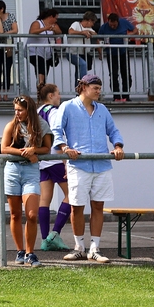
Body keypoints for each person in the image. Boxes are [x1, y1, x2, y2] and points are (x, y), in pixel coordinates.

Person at [52, 74, 125, 263]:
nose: (99, 91)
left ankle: (94, 248)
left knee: (98, 205)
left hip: (101, 165)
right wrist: (64, 148)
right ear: (84, 87)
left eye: (100, 88)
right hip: (78, 165)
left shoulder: (102, 110)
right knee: (76, 207)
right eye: (96, 87)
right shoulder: (67, 107)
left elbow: (113, 130)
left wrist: (118, 146)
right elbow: (56, 130)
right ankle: (79, 247)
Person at [1, 95, 52, 267]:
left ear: (28, 109)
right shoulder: (11, 125)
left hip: (31, 172)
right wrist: (24, 153)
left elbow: (47, 148)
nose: (17, 113)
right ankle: (20, 251)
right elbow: (4, 148)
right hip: (12, 170)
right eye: (15, 110)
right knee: (15, 214)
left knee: (31, 214)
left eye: (20, 110)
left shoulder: (41, 124)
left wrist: (34, 150)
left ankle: (31, 253)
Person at [36, 83, 72, 252]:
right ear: (50, 96)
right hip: (55, 159)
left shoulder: (36, 112)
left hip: (42, 160)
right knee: (72, 194)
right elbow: (57, 134)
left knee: (44, 199)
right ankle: (55, 234)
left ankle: (44, 240)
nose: (60, 97)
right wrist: (65, 162)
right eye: (58, 94)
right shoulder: (54, 111)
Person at [97, 12, 135, 102]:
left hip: (123, 52)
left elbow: (135, 30)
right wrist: (100, 53)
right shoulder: (104, 27)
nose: (113, 27)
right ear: (108, 21)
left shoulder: (124, 22)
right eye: (111, 25)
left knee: (126, 74)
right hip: (111, 54)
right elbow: (98, 39)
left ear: (118, 22)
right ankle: (116, 96)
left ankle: (126, 96)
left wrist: (129, 35)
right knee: (113, 75)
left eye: (114, 25)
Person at [0, 0, 17, 101]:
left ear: (2, 9)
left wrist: (4, 34)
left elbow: (15, 30)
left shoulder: (11, 16)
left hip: (8, 47)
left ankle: (5, 93)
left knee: (7, 69)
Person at [27, 8, 60, 89]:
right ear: (50, 17)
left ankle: (42, 88)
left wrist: (55, 29)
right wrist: (45, 28)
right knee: (40, 65)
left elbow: (59, 32)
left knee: (44, 71)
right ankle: (41, 85)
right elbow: (32, 32)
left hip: (47, 53)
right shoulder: (37, 23)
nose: (56, 20)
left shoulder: (54, 25)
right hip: (34, 51)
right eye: (55, 18)